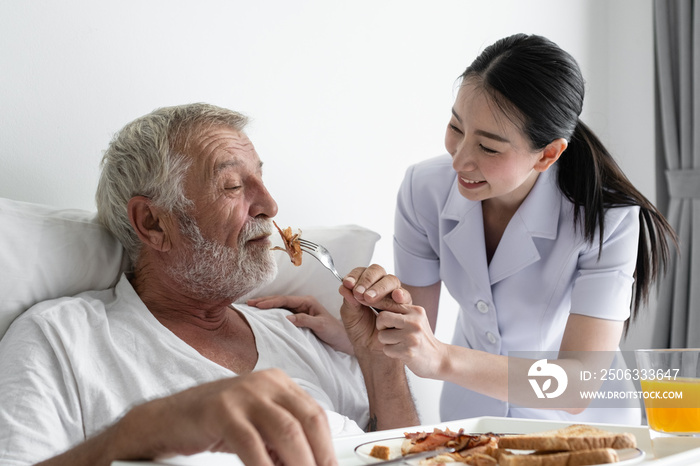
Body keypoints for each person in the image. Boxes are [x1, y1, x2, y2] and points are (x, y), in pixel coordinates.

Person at [280, 34, 677, 425]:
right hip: (474, 419)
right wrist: (358, 336)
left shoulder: (608, 218)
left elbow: (577, 385)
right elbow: (419, 331)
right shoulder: (424, 190)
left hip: (582, 428)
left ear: (549, 154)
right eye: (456, 127)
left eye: (488, 148)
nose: (460, 161)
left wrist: (442, 359)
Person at [0, 103, 419, 466]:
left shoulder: (297, 329)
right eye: (233, 186)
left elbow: (409, 455)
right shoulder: (61, 339)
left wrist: (380, 362)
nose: (270, 206)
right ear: (153, 223)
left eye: (260, 179)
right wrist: (138, 432)